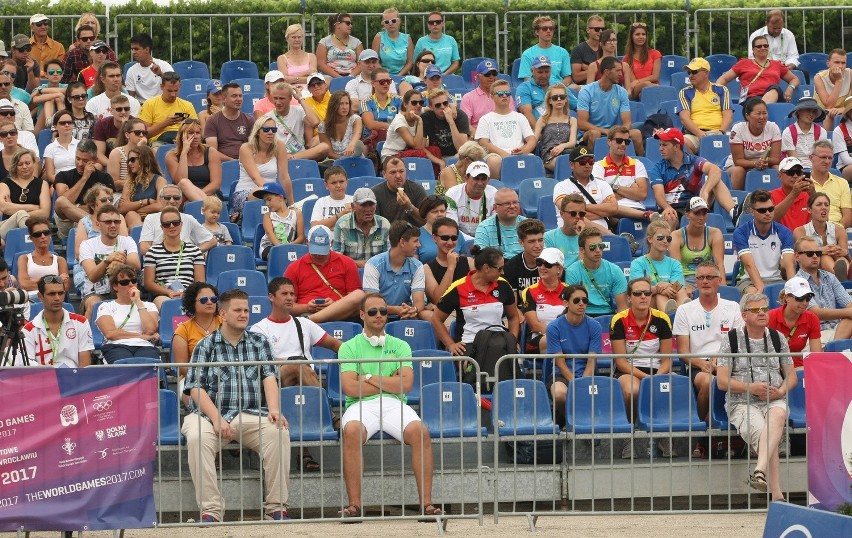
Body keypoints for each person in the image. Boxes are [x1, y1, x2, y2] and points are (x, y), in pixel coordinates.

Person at [182, 288, 290, 523]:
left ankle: (275, 508)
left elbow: (269, 378)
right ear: (223, 313)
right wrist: (216, 418)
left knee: (278, 432)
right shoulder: (205, 345)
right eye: (238, 310)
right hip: (208, 415)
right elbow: (195, 389)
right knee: (197, 436)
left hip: (250, 413)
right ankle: (211, 511)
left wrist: (274, 409)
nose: (244, 314)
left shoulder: (259, 342)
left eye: (246, 310)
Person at [338, 292, 441, 519]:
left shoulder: (401, 345)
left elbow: (405, 385)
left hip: (395, 403)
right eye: (373, 312)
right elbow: (351, 389)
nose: (379, 316)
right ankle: (354, 505)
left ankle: (427, 504)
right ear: (362, 314)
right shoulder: (348, 347)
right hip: (360, 404)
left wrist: (366, 377)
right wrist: (389, 382)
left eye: (383, 311)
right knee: (352, 431)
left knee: (421, 432)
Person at [250, 276, 343, 472]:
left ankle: (305, 453)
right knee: (297, 367)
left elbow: (336, 345)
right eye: (284, 294)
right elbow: (264, 361)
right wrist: (293, 362)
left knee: (300, 378)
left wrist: (358, 355)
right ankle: (329, 414)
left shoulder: (304, 324)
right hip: (273, 382)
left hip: (303, 382)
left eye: (292, 294)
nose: (290, 297)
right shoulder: (260, 328)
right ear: (271, 297)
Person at [717, 292, 796, 503]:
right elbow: (722, 382)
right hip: (742, 402)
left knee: (778, 417)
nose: (761, 313)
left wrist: (781, 391)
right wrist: (751, 388)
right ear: (744, 315)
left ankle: (759, 471)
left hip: (774, 398)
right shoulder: (731, 339)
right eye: (755, 310)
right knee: (767, 433)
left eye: (764, 309)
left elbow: (792, 376)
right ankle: (777, 494)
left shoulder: (778, 338)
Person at [673, 261, 744, 428]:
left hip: (728, 362)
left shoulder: (733, 307)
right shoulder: (684, 310)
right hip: (698, 364)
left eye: (710, 277)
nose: (705, 281)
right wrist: (704, 364)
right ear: (696, 282)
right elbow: (683, 352)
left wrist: (721, 363)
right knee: (708, 382)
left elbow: (739, 343)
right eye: (701, 278)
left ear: (719, 280)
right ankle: (698, 429)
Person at [611, 277, 674, 458]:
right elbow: (621, 361)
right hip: (629, 370)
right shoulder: (619, 320)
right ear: (629, 298)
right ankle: (628, 438)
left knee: (665, 389)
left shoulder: (662, 319)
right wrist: (646, 378)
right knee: (632, 391)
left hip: (657, 370)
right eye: (637, 293)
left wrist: (656, 377)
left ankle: (663, 436)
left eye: (647, 293)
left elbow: (667, 360)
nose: (643, 297)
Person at [431, 246, 520, 355]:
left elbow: (513, 317)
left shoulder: (503, 285)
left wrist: (512, 340)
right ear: (486, 268)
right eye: (500, 269)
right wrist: (451, 344)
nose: (503, 273)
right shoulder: (458, 288)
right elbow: (436, 318)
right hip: (468, 344)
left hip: (498, 342)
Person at [650, 127, 737, 231]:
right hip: (673, 208)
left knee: (716, 181)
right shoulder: (658, 168)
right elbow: (658, 195)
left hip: (695, 205)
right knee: (669, 217)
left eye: (664, 145)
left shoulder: (694, 161)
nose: (660, 148)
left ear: (676, 146)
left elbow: (716, 170)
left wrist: (705, 190)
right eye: (660, 145)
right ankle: (670, 246)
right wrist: (667, 207)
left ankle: (735, 214)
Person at [284, 225, 365, 323]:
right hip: (307, 312)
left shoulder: (347, 263)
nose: (318, 255)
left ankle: (310, 321)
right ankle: (311, 320)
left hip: (340, 313)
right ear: (307, 243)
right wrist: (307, 307)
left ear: (331, 243)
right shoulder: (294, 268)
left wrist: (335, 305)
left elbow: (355, 299)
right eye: (315, 250)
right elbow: (287, 305)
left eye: (322, 251)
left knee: (359, 295)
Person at [545, 284, 600, 423]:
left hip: (587, 373)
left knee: (594, 394)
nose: (581, 304)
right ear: (566, 303)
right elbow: (560, 362)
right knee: (559, 394)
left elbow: (592, 359)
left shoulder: (594, 326)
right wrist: (574, 382)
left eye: (585, 300)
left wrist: (582, 381)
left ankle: (578, 422)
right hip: (560, 374)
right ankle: (572, 420)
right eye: (576, 300)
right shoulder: (554, 327)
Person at [79, 205, 141, 318]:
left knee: (136, 300)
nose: (113, 225)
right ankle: (87, 335)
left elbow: (136, 265)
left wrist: (117, 261)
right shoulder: (87, 244)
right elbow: (92, 276)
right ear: (98, 224)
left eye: (117, 222)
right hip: (96, 292)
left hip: (124, 289)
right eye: (108, 222)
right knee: (95, 304)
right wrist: (107, 261)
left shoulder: (128, 241)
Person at [362, 220, 430, 321]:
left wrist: (413, 310)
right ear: (402, 242)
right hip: (378, 316)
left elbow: (419, 301)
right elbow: (372, 304)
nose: (419, 245)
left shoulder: (417, 266)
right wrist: (398, 310)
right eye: (415, 241)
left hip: (405, 316)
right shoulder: (373, 264)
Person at [230, 116, 293, 222]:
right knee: (259, 192)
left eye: (273, 130)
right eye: (266, 129)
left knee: (278, 201)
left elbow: (284, 176)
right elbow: (256, 178)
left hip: (271, 194)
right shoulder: (246, 148)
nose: (270, 132)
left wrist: (291, 204)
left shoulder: (279, 146)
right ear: (258, 132)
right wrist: (276, 194)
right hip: (246, 192)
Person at [22, 275, 93, 368]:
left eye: (61, 293)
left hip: (75, 379)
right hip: (43, 380)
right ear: (40, 296)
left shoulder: (81, 322)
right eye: (51, 294)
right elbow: (28, 368)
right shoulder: (28, 330)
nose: (57, 298)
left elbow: (85, 366)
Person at [733, 189, 795, 294]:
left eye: (771, 209)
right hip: (748, 280)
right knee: (753, 294)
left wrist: (793, 288)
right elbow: (749, 265)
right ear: (752, 212)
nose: (768, 213)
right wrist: (761, 288)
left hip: (776, 279)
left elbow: (789, 264)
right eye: (762, 210)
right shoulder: (741, 232)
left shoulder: (784, 232)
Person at [576, 57, 643, 152]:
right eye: (618, 71)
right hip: (589, 133)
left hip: (613, 132)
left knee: (636, 133)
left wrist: (620, 133)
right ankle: (591, 164)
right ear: (607, 72)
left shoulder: (622, 92)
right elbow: (581, 124)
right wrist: (606, 131)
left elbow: (627, 122)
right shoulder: (586, 91)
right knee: (595, 134)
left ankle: (642, 164)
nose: (621, 74)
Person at [793, 235, 852, 343]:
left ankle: (834, 349)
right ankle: (835, 350)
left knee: (850, 321)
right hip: (812, 335)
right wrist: (848, 312)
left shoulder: (830, 277)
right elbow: (816, 313)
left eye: (818, 253)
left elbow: (849, 304)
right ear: (797, 257)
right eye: (810, 253)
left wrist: (849, 312)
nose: (815, 256)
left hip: (837, 330)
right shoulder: (796, 282)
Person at [143, 206, 206, 307]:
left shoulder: (195, 251)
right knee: (166, 304)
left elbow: (200, 282)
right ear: (162, 227)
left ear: (181, 225)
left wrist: (186, 294)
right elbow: (148, 283)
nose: (171, 226)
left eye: (175, 223)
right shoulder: (153, 251)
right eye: (167, 224)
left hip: (190, 294)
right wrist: (168, 292)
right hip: (164, 294)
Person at [95, 265, 160, 363]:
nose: (131, 285)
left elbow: (150, 330)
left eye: (133, 281)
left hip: (145, 346)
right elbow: (110, 334)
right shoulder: (106, 307)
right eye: (124, 282)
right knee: (124, 365)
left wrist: (138, 302)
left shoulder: (149, 306)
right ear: (115, 286)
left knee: (149, 367)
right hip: (116, 346)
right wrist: (142, 336)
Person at [475, 79, 536, 178]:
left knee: (535, 160)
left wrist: (525, 151)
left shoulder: (520, 117)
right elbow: (483, 143)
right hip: (496, 155)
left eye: (507, 93)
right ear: (492, 96)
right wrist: (504, 154)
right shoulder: (486, 119)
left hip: (520, 153)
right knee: (494, 161)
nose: (504, 95)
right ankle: (496, 189)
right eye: (500, 93)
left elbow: (531, 139)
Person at [72, 184, 128, 293]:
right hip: (89, 266)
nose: (108, 202)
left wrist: (113, 262)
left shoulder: (119, 218)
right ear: (93, 205)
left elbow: (123, 246)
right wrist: (105, 261)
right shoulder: (84, 222)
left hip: (116, 264)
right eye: (104, 200)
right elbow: (79, 254)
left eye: (110, 199)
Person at [592, 125, 655, 221]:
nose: (623, 144)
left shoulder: (637, 164)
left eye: (626, 141)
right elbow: (601, 198)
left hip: (635, 207)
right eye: (619, 140)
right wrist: (631, 190)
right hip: (611, 212)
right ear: (609, 142)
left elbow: (642, 194)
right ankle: (645, 215)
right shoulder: (598, 166)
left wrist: (614, 187)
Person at [55, 140, 116, 239]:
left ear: (95, 160)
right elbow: (63, 203)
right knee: (61, 201)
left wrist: (76, 206)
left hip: (99, 221)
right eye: (77, 159)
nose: (80, 163)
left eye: (85, 161)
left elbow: (107, 206)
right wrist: (84, 178)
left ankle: (96, 226)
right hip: (70, 224)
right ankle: (94, 224)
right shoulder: (63, 176)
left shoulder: (105, 178)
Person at [173, 282, 221, 403]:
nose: (210, 302)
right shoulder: (183, 330)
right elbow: (182, 367)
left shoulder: (226, 324)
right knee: (196, 403)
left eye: (213, 299)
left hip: (224, 376)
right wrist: (208, 376)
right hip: (191, 378)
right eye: (204, 300)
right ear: (192, 302)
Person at [717, 35, 799, 104]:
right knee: (756, 102)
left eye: (766, 46)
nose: (763, 48)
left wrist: (790, 88)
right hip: (751, 99)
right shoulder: (743, 63)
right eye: (759, 46)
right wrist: (720, 93)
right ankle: (761, 110)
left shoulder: (777, 64)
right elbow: (723, 78)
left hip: (774, 99)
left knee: (774, 88)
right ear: (753, 49)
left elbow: (794, 79)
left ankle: (761, 110)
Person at [668, 197, 725, 297]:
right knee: (678, 292)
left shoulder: (715, 233)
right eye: (696, 213)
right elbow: (676, 270)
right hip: (683, 279)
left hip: (707, 278)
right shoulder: (676, 236)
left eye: (704, 213)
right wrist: (685, 285)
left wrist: (723, 288)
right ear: (687, 215)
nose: (701, 217)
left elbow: (719, 264)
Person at [564, 227, 628, 316]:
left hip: (607, 314)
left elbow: (622, 308)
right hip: (582, 315)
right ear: (582, 250)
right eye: (592, 247)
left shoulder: (615, 270)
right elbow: (571, 306)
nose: (598, 250)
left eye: (601, 246)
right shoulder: (573, 271)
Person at [137, 184, 216, 255]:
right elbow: (144, 248)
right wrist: (163, 257)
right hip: (158, 264)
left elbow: (212, 241)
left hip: (184, 262)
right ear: (160, 199)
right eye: (167, 197)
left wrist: (193, 252)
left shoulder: (188, 218)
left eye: (176, 198)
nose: (172, 201)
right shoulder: (151, 218)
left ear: (181, 200)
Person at [552, 146, 617, 232]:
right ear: (572, 165)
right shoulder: (561, 186)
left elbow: (613, 209)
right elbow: (570, 213)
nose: (587, 165)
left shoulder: (602, 184)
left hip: (601, 239)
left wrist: (578, 209)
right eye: (582, 162)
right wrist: (602, 211)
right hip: (573, 234)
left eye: (591, 162)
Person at [630, 219, 688, 314]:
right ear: (649, 239)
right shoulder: (638, 263)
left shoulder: (674, 263)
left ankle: (681, 311)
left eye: (668, 238)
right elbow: (638, 290)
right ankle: (676, 314)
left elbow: (678, 286)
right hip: (646, 302)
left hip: (671, 298)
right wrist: (658, 289)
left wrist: (666, 286)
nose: (665, 241)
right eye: (660, 238)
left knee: (680, 290)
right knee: (659, 294)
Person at [723, 98, 782, 190]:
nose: (762, 117)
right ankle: (737, 200)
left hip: (764, 163)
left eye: (764, 113)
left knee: (777, 168)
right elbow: (738, 161)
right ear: (747, 115)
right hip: (740, 164)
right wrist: (755, 163)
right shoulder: (738, 129)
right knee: (739, 171)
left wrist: (765, 162)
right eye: (758, 114)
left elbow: (775, 159)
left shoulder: (773, 127)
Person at [261, 81, 327, 163]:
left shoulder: (298, 111)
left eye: (282, 98)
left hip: (299, 155)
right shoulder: (267, 117)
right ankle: (288, 159)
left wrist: (300, 98)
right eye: (275, 98)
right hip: (278, 156)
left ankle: (291, 158)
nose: (278, 102)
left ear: (290, 98)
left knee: (324, 146)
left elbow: (315, 122)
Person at [678, 57, 733, 154]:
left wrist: (721, 132)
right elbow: (684, 118)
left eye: (694, 72)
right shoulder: (685, 92)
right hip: (695, 135)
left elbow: (728, 115)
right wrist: (700, 134)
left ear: (706, 73)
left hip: (719, 132)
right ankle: (696, 167)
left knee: (739, 141)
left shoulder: (721, 90)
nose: (691, 75)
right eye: (689, 72)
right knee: (682, 142)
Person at [768, 276, 822, 369]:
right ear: (787, 297)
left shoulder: (812, 318)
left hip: (798, 367)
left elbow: (816, 356)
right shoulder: (770, 317)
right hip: (772, 368)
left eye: (808, 298)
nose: (805, 303)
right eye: (800, 298)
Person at [519, 246, 568, 350]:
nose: (542, 267)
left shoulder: (570, 291)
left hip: (566, 337)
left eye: (547, 264)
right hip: (538, 338)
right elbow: (534, 325)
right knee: (549, 341)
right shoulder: (529, 291)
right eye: (539, 263)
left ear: (559, 269)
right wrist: (559, 335)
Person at [793, 192, 849, 279]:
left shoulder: (839, 230)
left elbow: (844, 254)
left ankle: (842, 277)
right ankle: (839, 278)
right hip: (810, 268)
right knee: (823, 256)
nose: (824, 208)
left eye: (826, 205)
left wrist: (840, 251)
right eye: (819, 205)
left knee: (842, 259)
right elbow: (803, 254)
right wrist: (822, 250)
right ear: (809, 210)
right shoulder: (800, 231)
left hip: (834, 262)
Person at [167, 119, 224, 202]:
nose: (195, 136)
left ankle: (204, 204)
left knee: (190, 202)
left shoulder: (211, 152)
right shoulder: (172, 156)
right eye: (190, 133)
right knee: (184, 183)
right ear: (182, 135)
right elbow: (180, 181)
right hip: (184, 195)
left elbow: (215, 184)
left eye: (198, 133)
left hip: (209, 193)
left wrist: (195, 196)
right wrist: (184, 153)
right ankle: (207, 206)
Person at [332, 187, 390, 268]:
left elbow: (389, 256)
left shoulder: (384, 224)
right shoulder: (342, 224)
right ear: (353, 206)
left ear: (376, 206)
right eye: (364, 205)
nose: (368, 209)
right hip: (350, 271)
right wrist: (356, 264)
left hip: (377, 272)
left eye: (371, 204)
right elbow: (336, 257)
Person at [137, 72, 197, 146]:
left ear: (180, 87)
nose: (173, 94)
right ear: (161, 87)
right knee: (157, 150)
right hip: (159, 142)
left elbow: (196, 130)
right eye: (169, 91)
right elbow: (144, 134)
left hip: (182, 140)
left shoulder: (187, 105)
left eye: (176, 91)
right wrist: (165, 123)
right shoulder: (149, 104)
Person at [460, 59, 515, 136]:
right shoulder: (468, 98)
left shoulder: (505, 95)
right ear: (478, 77)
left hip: (504, 134)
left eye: (494, 73)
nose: (491, 77)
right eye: (487, 74)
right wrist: (482, 138)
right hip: (479, 138)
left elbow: (513, 118)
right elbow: (466, 125)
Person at [117, 145, 168, 229]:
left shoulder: (160, 180)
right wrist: (145, 201)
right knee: (131, 215)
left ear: (144, 160)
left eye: (133, 160)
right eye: (128, 160)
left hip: (154, 218)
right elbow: (122, 208)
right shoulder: (129, 182)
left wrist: (133, 208)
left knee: (131, 213)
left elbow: (160, 206)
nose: (130, 163)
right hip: (134, 218)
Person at [423, 216, 472, 303]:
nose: (450, 242)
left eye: (454, 238)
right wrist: (451, 268)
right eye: (445, 238)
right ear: (434, 238)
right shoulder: (427, 268)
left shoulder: (469, 262)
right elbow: (438, 299)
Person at [0, 149, 49, 234]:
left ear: (34, 164)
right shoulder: (5, 183)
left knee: (21, 215)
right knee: (21, 215)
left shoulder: (42, 184)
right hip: (8, 227)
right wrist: (33, 207)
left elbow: (45, 213)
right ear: (15, 166)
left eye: (27, 163)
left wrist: (15, 210)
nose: (24, 167)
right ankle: (30, 241)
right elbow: (4, 207)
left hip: (35, 226)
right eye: (20, 164)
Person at [17, 216, 69, 295]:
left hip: (53, 299)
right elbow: (24, 285)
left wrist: (35, 280)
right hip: (31, 301)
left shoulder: (60, 260)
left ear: (50, 235)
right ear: (31, 238)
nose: (43, 236)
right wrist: (55, 280)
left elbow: (65, 286)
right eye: (37, 234)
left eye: (46, 233)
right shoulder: (24, 259)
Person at [203, 83, 253, 161]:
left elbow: (253, 148)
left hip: (245, 162)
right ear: (224, 99)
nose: (238, 99)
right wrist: (232, 161)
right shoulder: (213, 121)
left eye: (240, 96)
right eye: (234, 96)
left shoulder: (249, 120)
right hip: (222, 164)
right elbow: (212, 152)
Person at [517, 57, 571, 131]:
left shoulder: (558, 86)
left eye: (547, 72)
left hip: (561, 129)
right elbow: (526, 112)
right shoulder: (524, 87)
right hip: (535, 131)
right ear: (532, 71)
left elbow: (577, 106)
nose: (544, 75)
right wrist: (540, 132)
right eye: (540, 72)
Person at [371, 156, 427, 226]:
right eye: (393, 172)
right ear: (384, 174)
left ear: (406, 171)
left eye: (401, 171)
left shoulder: (417, 189)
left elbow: (426, 222)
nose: (398, 176)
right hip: (387, 235)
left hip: (414, 235)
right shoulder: (375, 193)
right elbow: (374, 225)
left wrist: (409, 206)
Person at [256, 181, 304, 261]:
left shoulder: (296, 213)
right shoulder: (268, 216)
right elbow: (270, 233)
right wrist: (282, 249)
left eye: (269, 199)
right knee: (278, 256)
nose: (267, 204)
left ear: (281, 198)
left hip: (290, 247)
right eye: (265, 201)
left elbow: (301, 237)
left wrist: (290, 247)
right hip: (270, 247)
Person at [518, 16, 573, 86]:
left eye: (551, 28)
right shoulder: (527, 54)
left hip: (558, 90)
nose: (548, 31)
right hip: (537, 89)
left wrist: (556, 89)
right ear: (537, 32)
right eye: (544, 29)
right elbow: (527, 79)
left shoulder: (563, 52)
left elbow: (567, 78)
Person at [360, 68, 403, 156]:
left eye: (388, 81)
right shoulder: (365, 102)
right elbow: (370, 124)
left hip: (395, 137)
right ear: (373, 84)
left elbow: (403, 121)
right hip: (373, 140)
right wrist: (388, 126)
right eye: (382, 81)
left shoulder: (399, 100)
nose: (386, 84)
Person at [534, 83, 577, 171]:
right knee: (563, 163)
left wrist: (562, 146)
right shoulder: (543, 120)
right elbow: (534, 140)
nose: (559, 99)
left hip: (567, 152)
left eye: (562, 97)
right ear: (550, 101)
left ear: (566, 100)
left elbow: (573, 142)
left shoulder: (572, 120)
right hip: (550, 154)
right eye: (555, 97)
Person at [474, 188, 526, 258]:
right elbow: (480, 258)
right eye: (507, 203)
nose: (512, 206)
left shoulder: (528, 224)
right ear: (495, 207)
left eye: (515, 202)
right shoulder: (484, 228)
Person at [420, 88, 470, 159]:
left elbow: (461, 148)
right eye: (438, 105)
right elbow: (421, 147)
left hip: (458, 155)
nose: (442, 107)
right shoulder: (426, 118)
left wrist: (451, 121)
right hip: (438, 155)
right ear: (431, 107)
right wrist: (438, 161)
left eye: (445, 103)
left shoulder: (460, 115)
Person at [812, 139, 852, 224]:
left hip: (837, 230)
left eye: (830, 158)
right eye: (823, 157)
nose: (827, 161)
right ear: (811, 158)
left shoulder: (842, 183)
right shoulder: (803, 183)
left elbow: (847, 216)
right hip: (811, 230)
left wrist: (838, 229)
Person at [125, 33, 174, 103]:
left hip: (161, 105)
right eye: (132, 49)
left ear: (147, 49)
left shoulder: (164, 65)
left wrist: (160, 74)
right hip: (142, 108)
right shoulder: (131, 71)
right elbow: (131, 98)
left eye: (136, 49)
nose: (133, 52)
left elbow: (174, 85)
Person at [544, 193, 589, 268]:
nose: (578, 217)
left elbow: (587, 268)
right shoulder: (549, 237)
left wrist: (582, 237)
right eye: (573, 213)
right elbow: (549, 268)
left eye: (581, 214)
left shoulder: (589, 238)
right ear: (561, 214)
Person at [770, 157, 814, 232]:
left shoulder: (808, 195)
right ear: (780, 176)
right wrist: (793, 194)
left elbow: (822, 222)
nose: (795, 176)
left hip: (805, 240)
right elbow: (770, 219)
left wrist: (814, 195)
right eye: (790, 172)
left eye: (798, 172)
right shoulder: (770, 196)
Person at [781, 97, 827, 168]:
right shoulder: (788, 132)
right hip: (796, 170)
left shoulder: (822, 131)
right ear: (798, 111)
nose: (811, 114)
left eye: (814, 111)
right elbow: (794, 160)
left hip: (816, 169)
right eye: (808, 110)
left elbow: (820, 156)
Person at [318, 90, 365, 159]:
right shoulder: (323, 126)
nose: (345, 107)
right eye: (341, 104)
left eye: (347, 103)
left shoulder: (355, 119)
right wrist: (344, 160)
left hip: (354, 158)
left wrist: (352, 145)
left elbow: (357, 133)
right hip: (336, 160)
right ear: (333, 106)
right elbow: (330, 153)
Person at [503, 219, 545, 296]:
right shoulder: (511, 267)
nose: (537, 245)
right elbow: (512, 305)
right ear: (521, 242)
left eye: (540, 240)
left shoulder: (552, 263)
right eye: (531, 241)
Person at [91, 94, 135, 168]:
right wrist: (114, 165)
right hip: (109, 163)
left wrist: (126, 127)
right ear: (111, 111)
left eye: (126, 109)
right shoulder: (102, 124)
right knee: (97, 167)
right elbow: (99, 154)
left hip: (132, 164)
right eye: (119, 109)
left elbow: (138, 149)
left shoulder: (136, 124)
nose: (123, 112)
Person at [417, 195, 462, 264]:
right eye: (435, 212)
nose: (439, 214)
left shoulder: (456, 233)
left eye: (442, 211)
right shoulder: (417, 235)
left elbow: (464, 258)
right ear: (425, 213)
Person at [813, 49, 852, 130]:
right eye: (837, 62)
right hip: (822, 112)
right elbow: (829, 105)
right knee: (828, 115)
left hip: (844, 110)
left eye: (843, 63)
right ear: (828, 63)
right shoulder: (819, 78)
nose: (840, 66)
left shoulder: (850, 74)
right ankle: (827, 140)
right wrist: (839, 80)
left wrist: (843, 109)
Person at [106, 117, 148, 192]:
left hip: (143, 192)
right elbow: (113, 183)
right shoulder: (116, 153)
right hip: (121, 193)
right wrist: (135, 183)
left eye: (144, 133)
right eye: (137, 132)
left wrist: (142, 150)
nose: (141, 135)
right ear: (127, 135)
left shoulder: (149, 153)